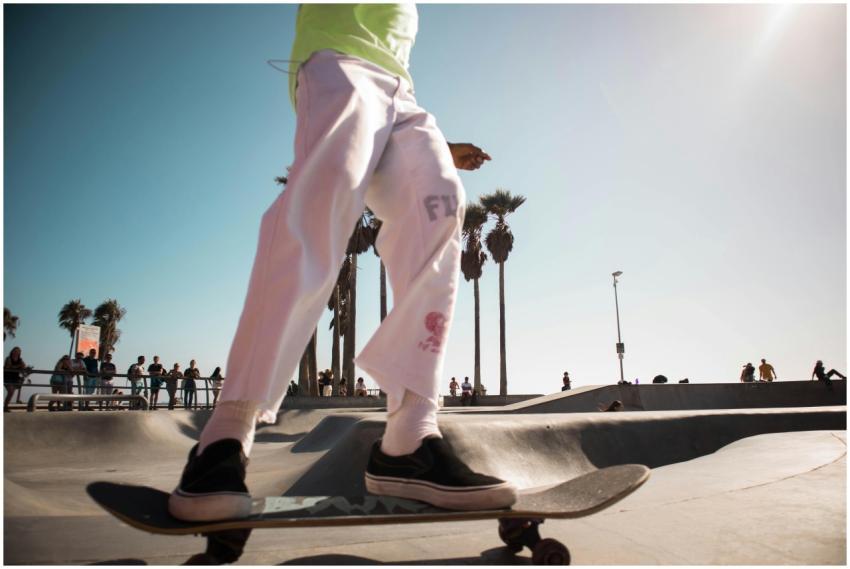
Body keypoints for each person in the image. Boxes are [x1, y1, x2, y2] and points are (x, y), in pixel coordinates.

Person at [168, 4, 516, 525]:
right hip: (337, 61)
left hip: (402, 93)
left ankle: (408, 439)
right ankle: (225, 435)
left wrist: (438, 145)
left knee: (440, 203)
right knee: (321, 201)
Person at [4, 347, 29, 411]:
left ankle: (5, 406)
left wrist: (26, 368)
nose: (16, 352)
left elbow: (24, 367)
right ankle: (5, 406)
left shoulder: (20, 360)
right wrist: (19, 366)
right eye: (15, 351)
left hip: (15, 378)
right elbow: (9, 367)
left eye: (18, 351)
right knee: (11, 391)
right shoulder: (8, 358)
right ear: (12, 351)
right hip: (7, 377)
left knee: (11, 392)